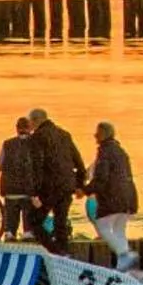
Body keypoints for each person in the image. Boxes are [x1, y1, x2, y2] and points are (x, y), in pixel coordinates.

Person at [25, 107, 86, 254]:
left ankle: (54, 252)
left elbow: (37, 167)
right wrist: (80, 184)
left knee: (34, 221)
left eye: (30, 122)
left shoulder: (37, 137)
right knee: (60, 222)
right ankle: (63, 255)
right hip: (67, 186)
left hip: (50, 187)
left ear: (35, 121)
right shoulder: (65, 134)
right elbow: (79, 163)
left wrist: (34, 193)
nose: (30, 126)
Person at [86, 120, 139, 270]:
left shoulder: (105, 152)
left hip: (114, 197)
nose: (95, 135)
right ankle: (123, 266)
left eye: (97, 132)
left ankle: (124, 254)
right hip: (129, 195)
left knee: (102, 226)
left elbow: (101, 178)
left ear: (103, 134)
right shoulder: (120, 151)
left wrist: (85, 190)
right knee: (119, 229)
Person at [0, 116, 37, 241]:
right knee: (28, 218)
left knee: (10, 219)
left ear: (17, 128)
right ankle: (27, 233)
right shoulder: (35, 144)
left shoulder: (7, 144)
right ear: (30, 128)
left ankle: (10, 233)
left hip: (10, 190)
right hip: (28, 191)